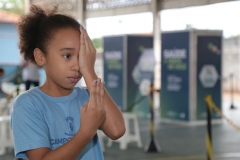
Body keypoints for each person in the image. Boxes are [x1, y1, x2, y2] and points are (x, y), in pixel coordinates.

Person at [11, 5, 125, 160]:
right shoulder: (28, 104)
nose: (77, 66)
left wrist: (89, 71)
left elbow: (117, 130)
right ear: (40, 56)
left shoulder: (88, 96)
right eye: (67, 56)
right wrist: (86, 132)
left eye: (81, 57)